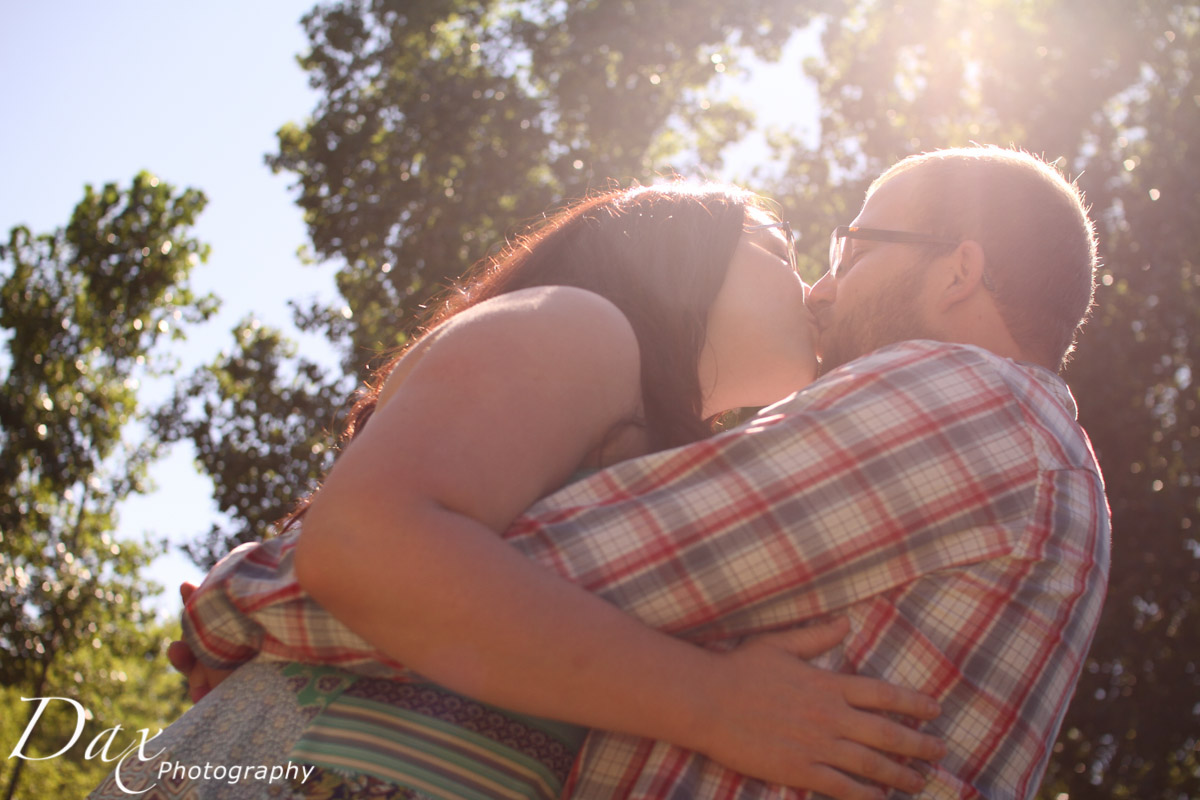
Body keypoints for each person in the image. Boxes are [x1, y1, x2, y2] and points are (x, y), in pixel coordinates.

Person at [153, 145, 1110, 799]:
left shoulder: (964, 405)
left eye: (846, 251)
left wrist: (245, 601)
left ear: (957, 272)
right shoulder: (581, 325)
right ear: (677, 264)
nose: (820, 288)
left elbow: (545, 582)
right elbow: (385, 553)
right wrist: (710, 695)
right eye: (790, 252)